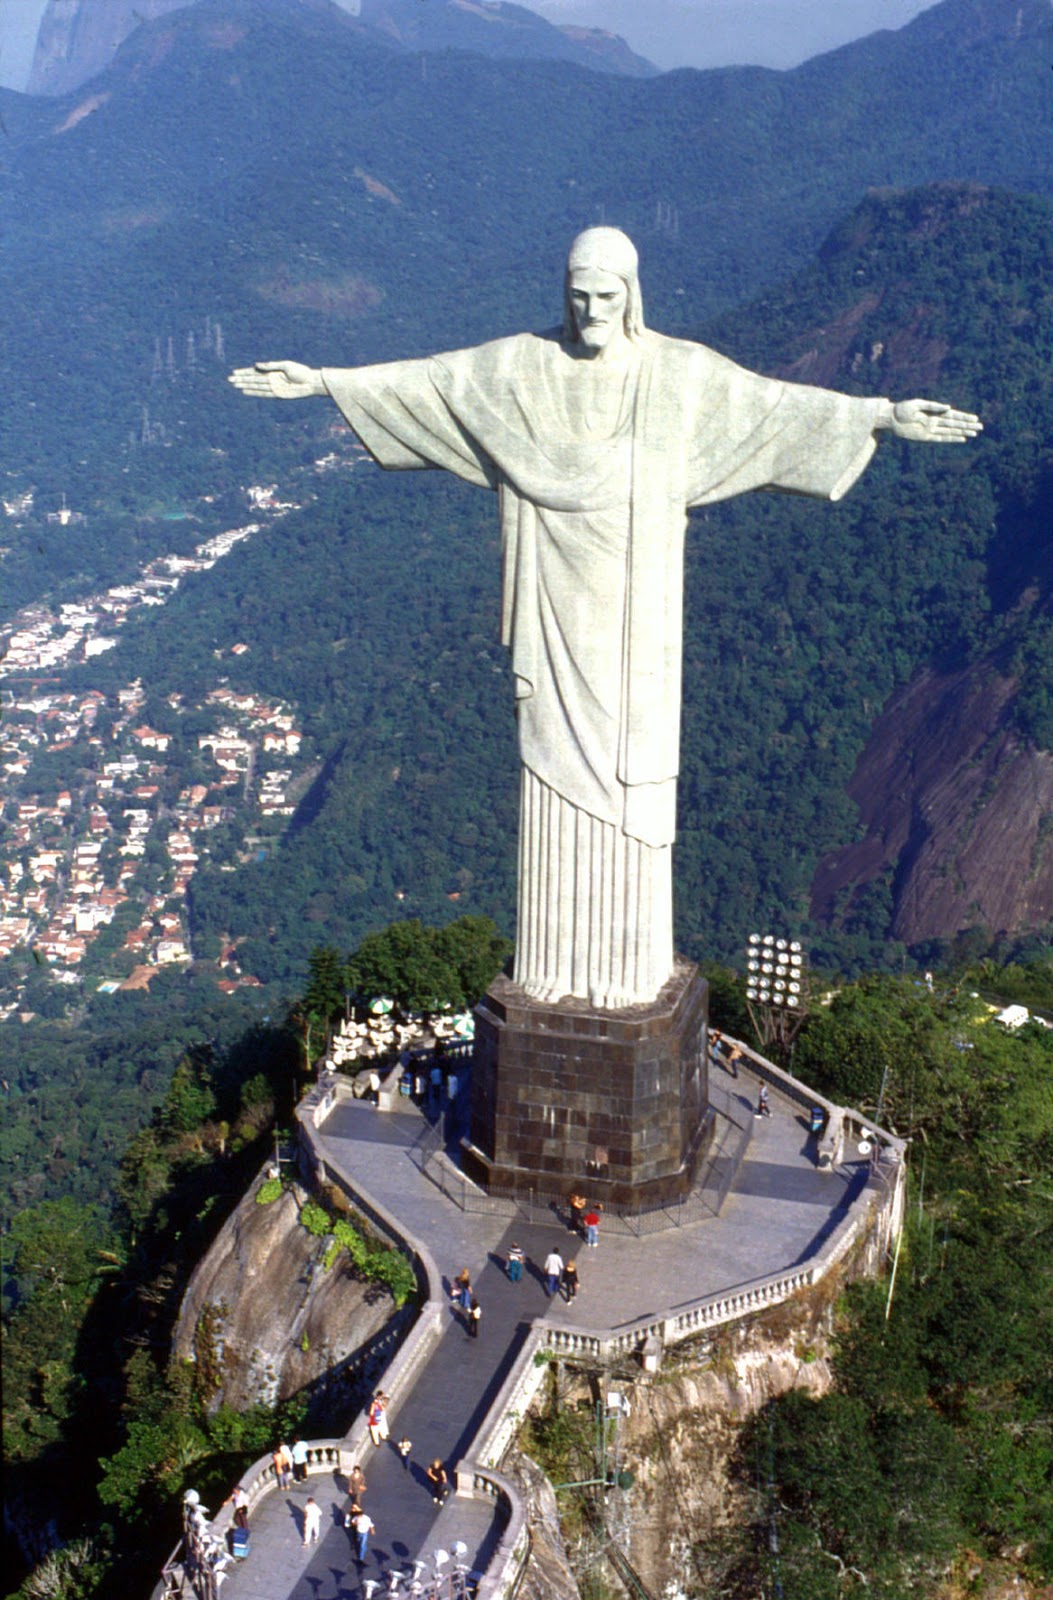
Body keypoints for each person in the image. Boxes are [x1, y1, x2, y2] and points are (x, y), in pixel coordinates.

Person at [232, 228, 980, 1012]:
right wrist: (322, 381)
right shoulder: (523, 366)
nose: (591, 311)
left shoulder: (677, 374)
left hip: (636, 621)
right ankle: (551, 970)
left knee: (631, 784)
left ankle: (627, 975)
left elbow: (774, 405)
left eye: (607, 296)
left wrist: (882, 416)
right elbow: (435, 382)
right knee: (551, 770)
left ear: (632, 296)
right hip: (554, 608)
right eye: (579, 295)